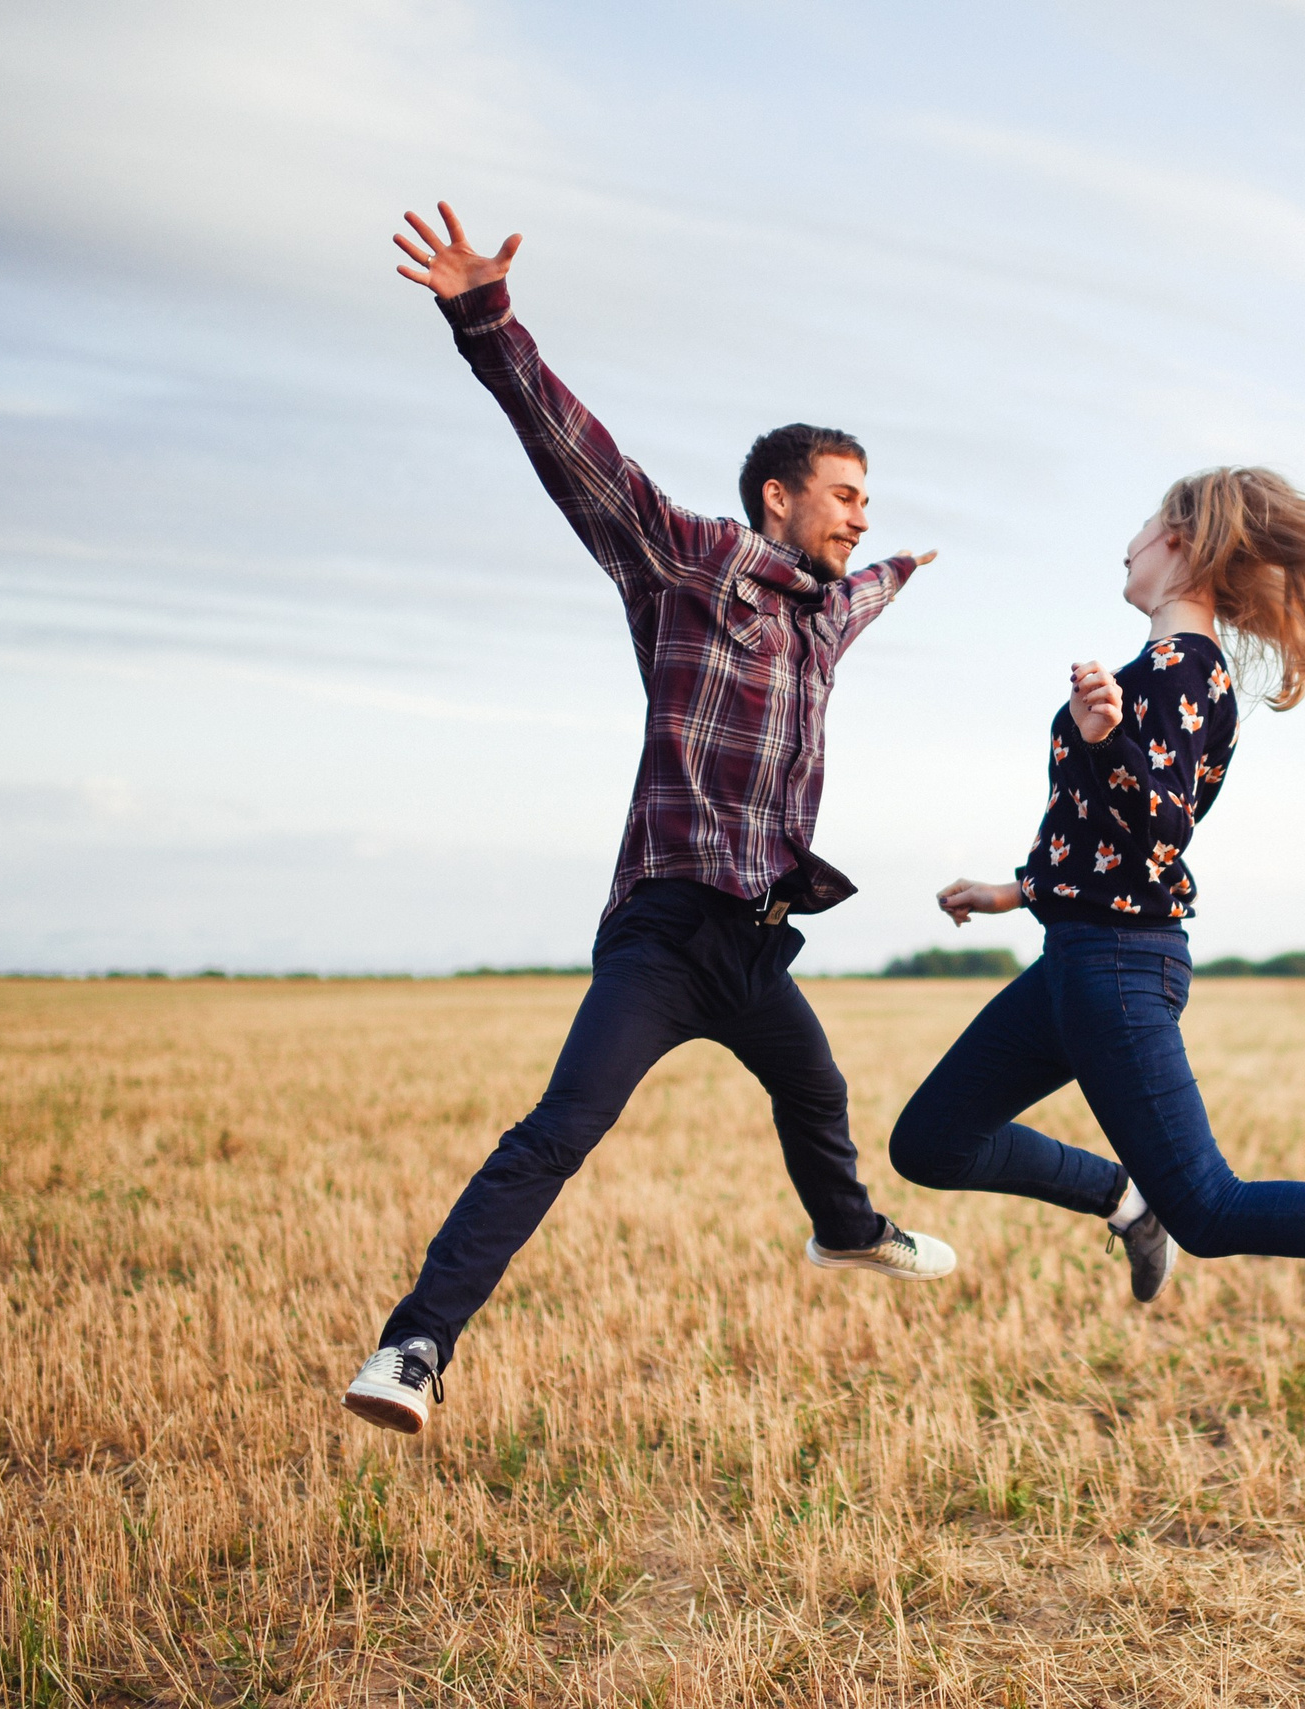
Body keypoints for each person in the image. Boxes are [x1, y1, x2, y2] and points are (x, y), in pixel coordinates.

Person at [344, 203, 957, 1437]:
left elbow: (870, 592)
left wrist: (902, 569)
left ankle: (846, 1233)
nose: (859, 517)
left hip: (754, 937)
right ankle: (412, 1348)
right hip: (666, 928)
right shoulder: (686, 564)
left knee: (817, 1087)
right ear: (775, 498)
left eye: (868, 500)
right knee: (556, 1132)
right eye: (842, 497)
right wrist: (485, 318)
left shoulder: (829, 611)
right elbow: (580, 456)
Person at [891, 469, 1305, 1394]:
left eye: (1145, 524)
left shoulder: (1185, 673)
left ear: (1185, 547)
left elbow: (1162, 829)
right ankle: (1124, 1200)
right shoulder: (1151, 674)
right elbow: (1102, 839)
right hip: (1078, 956)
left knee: (1211, 1207)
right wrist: (1013, 891)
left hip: (1116, 970)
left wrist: (1107, 738)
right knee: (931, 1139)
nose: (1127, 543)